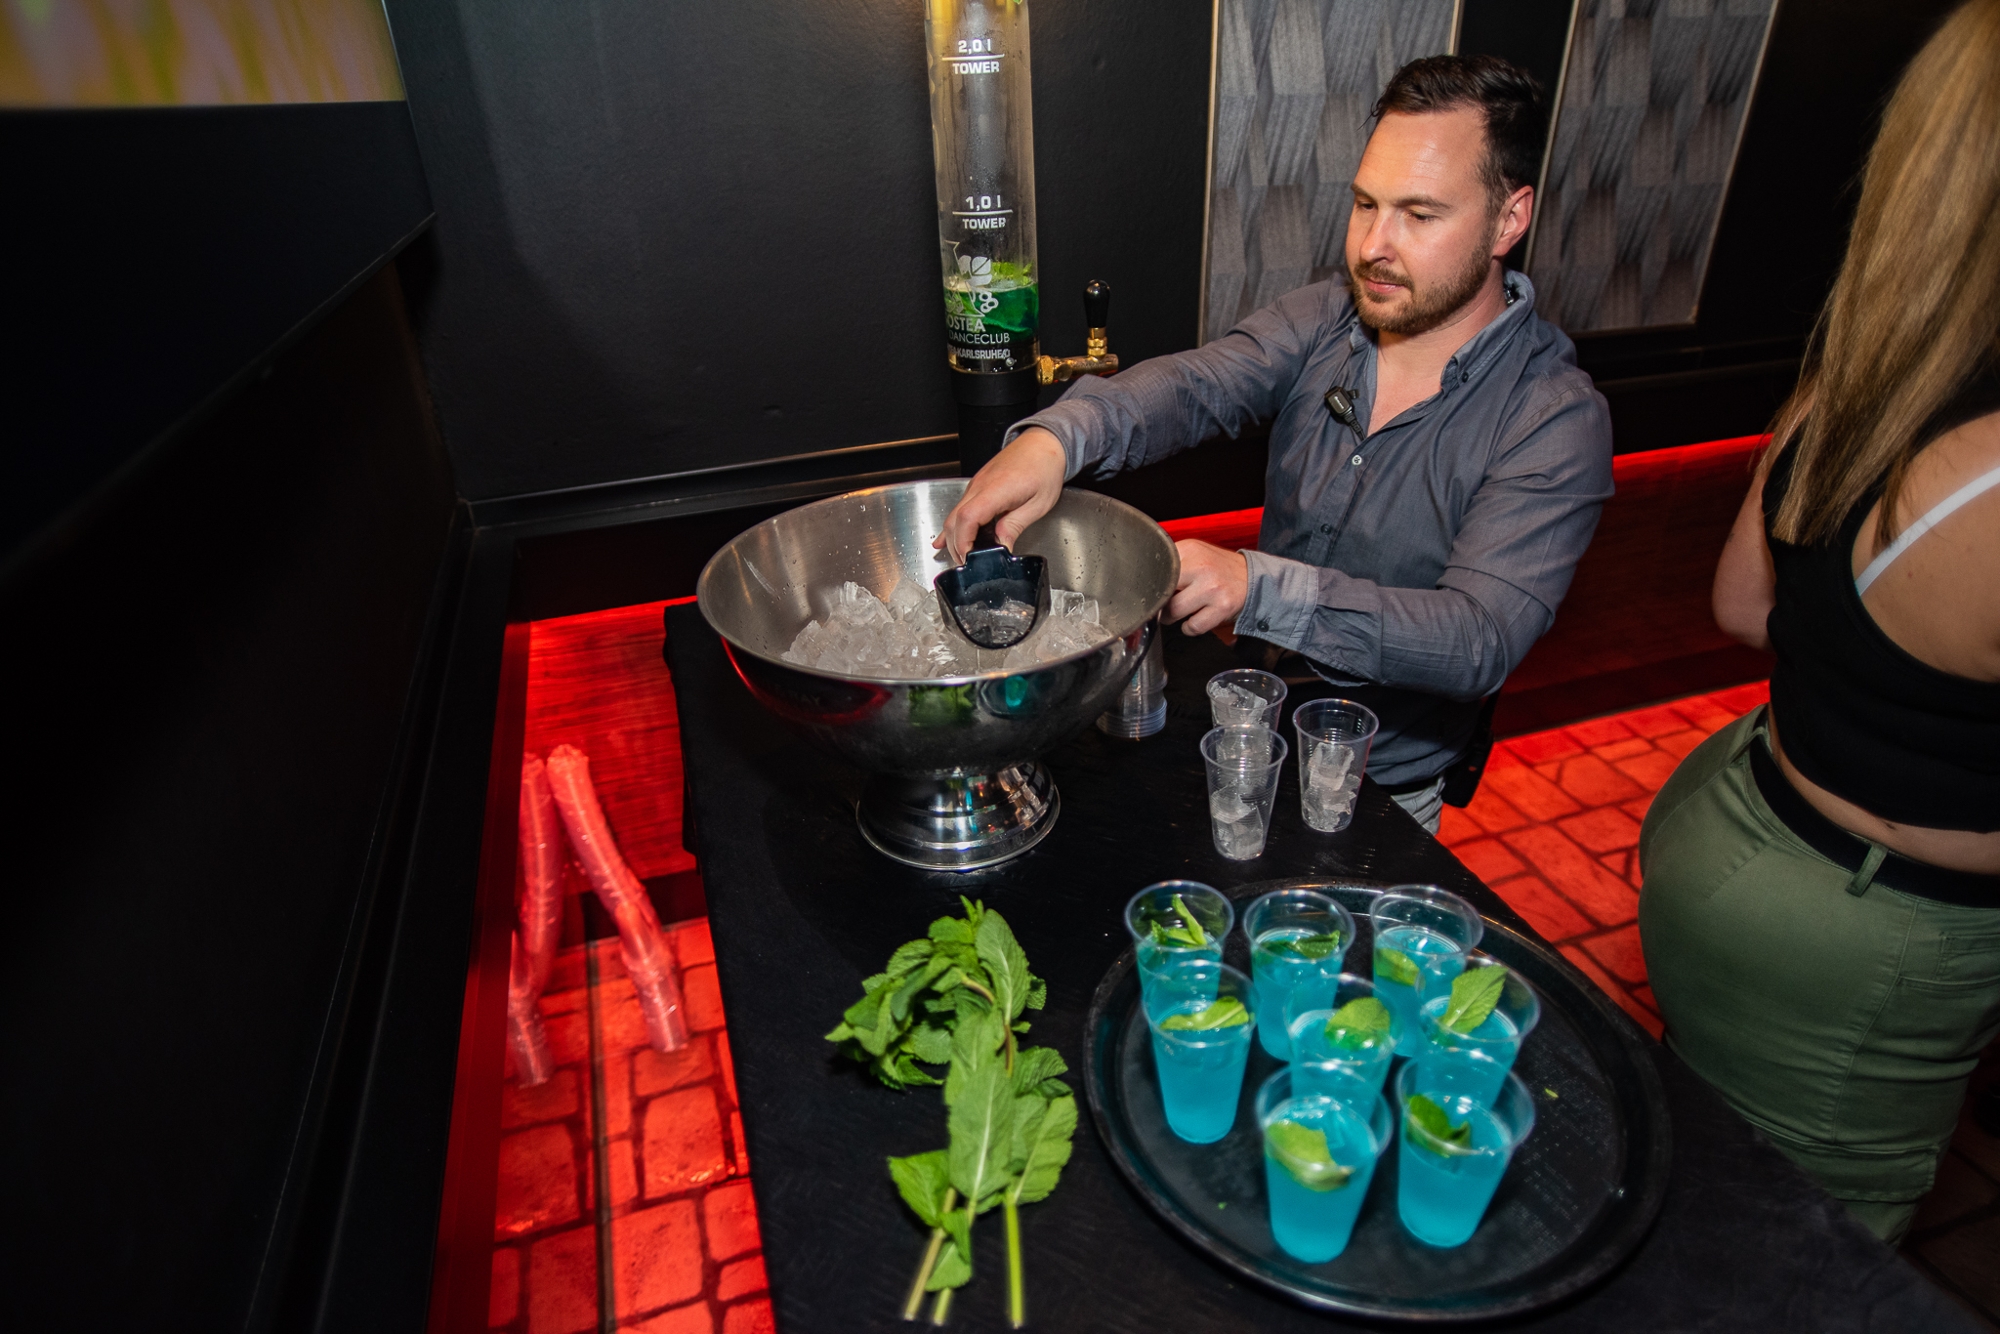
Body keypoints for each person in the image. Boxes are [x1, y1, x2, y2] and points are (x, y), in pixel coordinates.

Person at [936, 55, 1613, 833]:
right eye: (1365, 204)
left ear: (1509, 219)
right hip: (1245, 732)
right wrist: (1056, 440)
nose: (1373, 245)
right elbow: (1198, 384)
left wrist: (1259, 588)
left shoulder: (1554, 418)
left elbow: (1475, 639)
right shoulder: (1328, 316)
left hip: (1378, 796)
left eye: (1420, 216)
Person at [1638, 0, 2000, 1245]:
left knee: (1692, 1169)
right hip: (1855, 940)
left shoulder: (1859, 373)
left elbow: (1742, 606)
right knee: (1793, 1263)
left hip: (1734, 818)